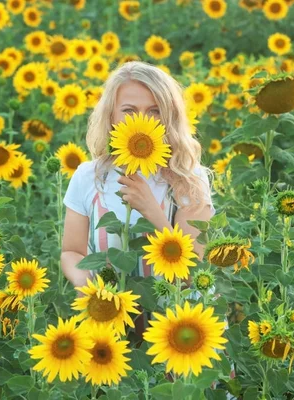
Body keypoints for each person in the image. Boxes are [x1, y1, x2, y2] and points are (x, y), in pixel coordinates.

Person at [61, 60, 215, 290]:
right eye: (129, 111)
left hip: (173, 318)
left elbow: (193, 275)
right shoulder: (89, 177)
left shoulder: (189, 179)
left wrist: (152, 211)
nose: (141, 121)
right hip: (109, 315)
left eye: (154, 111)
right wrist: (83, 280)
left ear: (168, 117)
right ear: (111, 116)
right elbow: (71, 251)